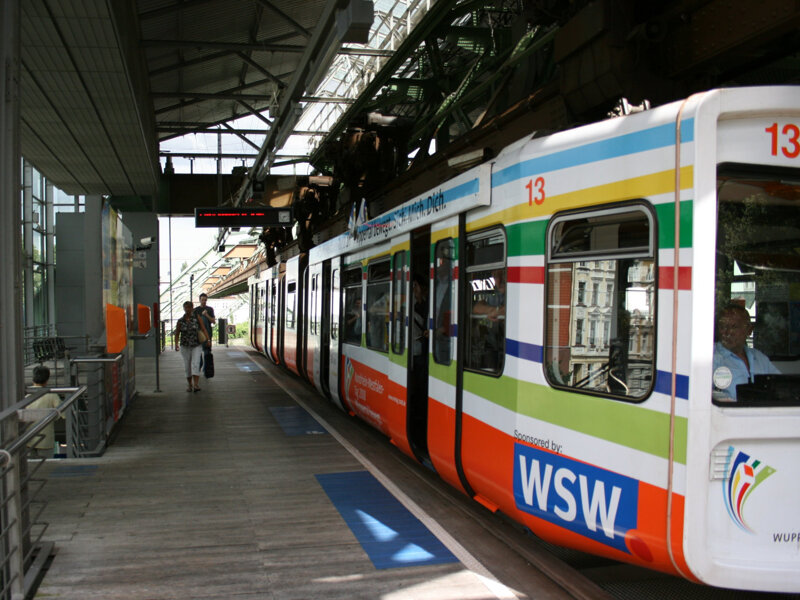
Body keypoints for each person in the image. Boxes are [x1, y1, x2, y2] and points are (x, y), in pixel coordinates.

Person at [712, 303, 780, 400]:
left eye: (734, 327)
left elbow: (780, 385)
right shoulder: (711, 357)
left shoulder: (759, 358)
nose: (727, 333)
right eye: (722, 327)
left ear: (749, 330)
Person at [26, 365, 62, 458]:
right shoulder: (51, 394)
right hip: (45, 440)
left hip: (27, 439)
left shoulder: (26, 393)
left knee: (29, 466)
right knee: (47, 466)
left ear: (33, 378)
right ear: (47, 380)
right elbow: (62, 412)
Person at [175, 300, 210, 392]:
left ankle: (196, 385)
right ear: (184, 309)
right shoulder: (180, 321)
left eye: (189, 307)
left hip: (196, 345)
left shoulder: (197, 318)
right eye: (186, 307)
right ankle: (189, 385)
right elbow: (177, 333)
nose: (188, 309)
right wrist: (176, 344)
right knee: (187, 365)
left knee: (196, 363)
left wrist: (208, 339)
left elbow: (203, 328)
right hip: (185, 346)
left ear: (192, 308)